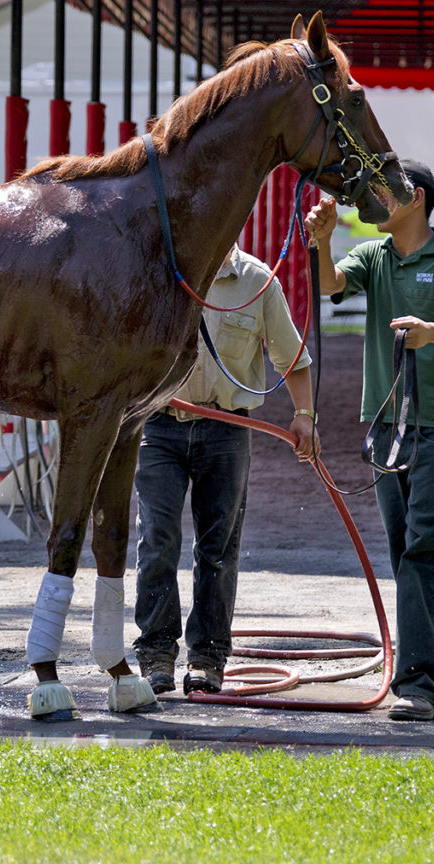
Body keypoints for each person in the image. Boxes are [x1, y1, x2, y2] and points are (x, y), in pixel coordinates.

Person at [305, 159, 434, 722]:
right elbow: (329, 285)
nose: (371, 199)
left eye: (382, 191)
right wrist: (322, 241)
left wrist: (431, 331)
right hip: (386, 425)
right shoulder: (373, 256)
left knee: (425, 550)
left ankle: (420, 685)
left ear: (415, 199)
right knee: (412, 553)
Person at [133, 245, 319, 697]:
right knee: (158, 538)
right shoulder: (158, 268)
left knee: (217, 548)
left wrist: (305, 414)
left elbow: (290, 356)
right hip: (159, 424)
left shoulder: (257, 281)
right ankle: (156, 653)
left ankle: (208, 658)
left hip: (226, 430)